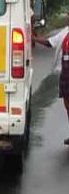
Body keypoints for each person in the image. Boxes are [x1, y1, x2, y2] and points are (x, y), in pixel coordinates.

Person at [34, 11, 69, 145]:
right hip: (66, 72)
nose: (67, 18)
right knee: (67, 104)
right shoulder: (65, 32)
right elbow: (50, 42)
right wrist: (34, 39)